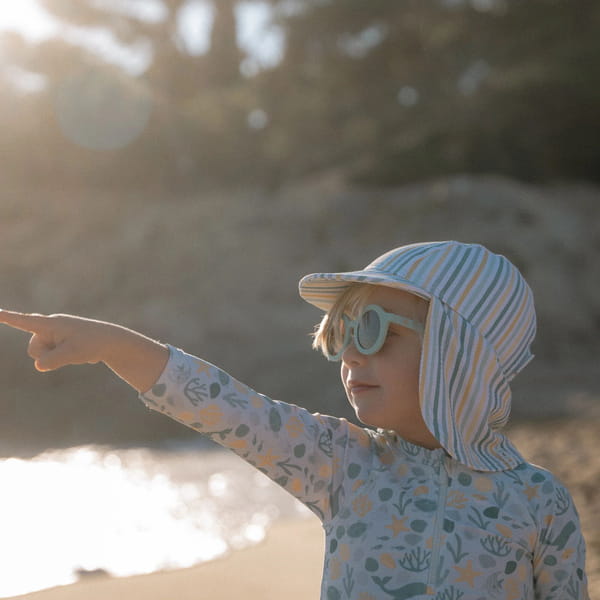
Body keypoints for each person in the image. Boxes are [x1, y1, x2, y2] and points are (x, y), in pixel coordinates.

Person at [0, 240, 589, 600]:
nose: (350, 353)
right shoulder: (342, 463)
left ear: (459, 355)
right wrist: (110, 344)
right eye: (340, 334)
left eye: (373, 331)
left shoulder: (539, 502)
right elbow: (224, 406)